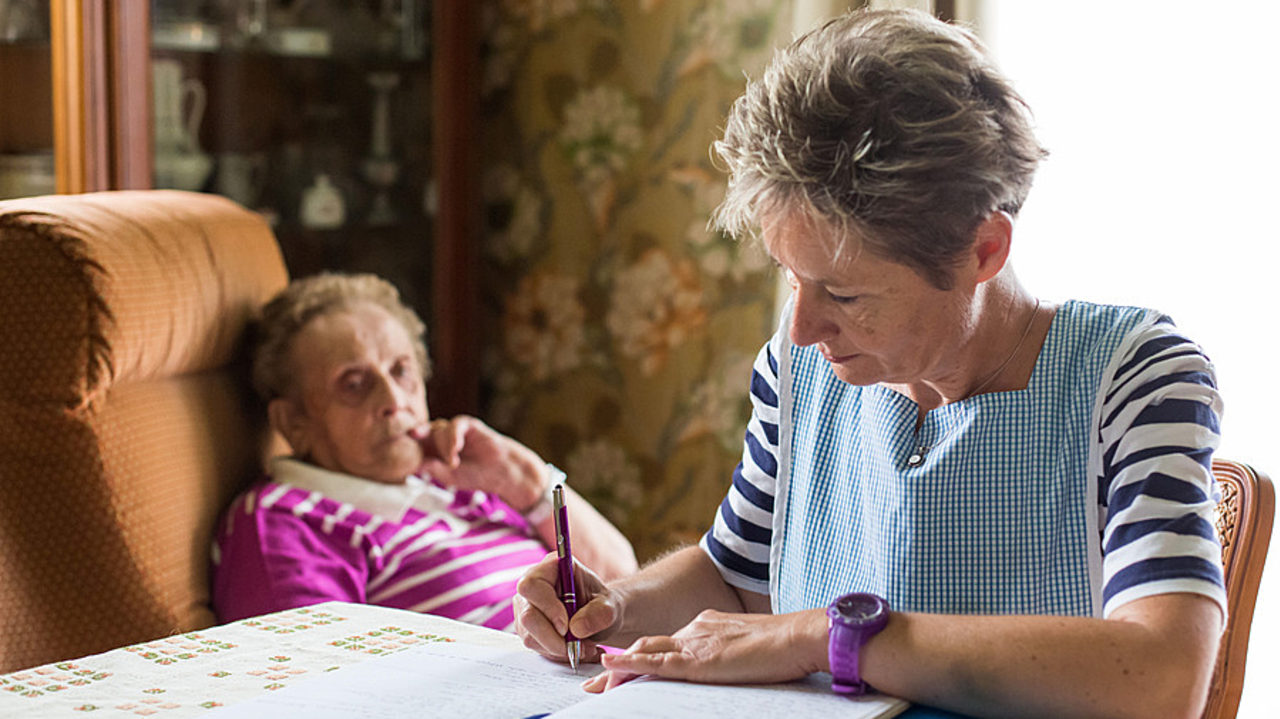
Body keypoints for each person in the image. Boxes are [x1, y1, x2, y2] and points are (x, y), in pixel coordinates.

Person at [515, 9, 1225, 718]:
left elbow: (1160, 678)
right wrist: (610, 608)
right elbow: (735, 580)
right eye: (792, 277)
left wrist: (831, 635)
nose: (801, 327)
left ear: (983, 250)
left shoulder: (1132, 378)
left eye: (845, 292)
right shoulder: (802, 374)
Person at [211, 272, 637, 630]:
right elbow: (311, 693)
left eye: (402, 371)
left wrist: (526, 481)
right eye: (354, 384)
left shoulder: (461, 479)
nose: (394, 400)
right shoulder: (285, 520)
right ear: (293, 422)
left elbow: (624, 580)